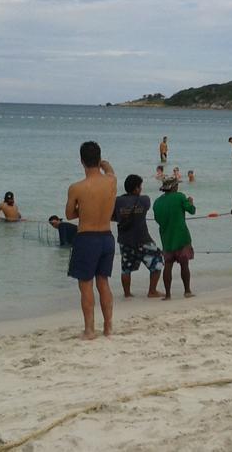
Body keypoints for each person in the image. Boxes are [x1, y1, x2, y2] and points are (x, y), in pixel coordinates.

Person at [64, 142, 118, 340]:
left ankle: (89, 329)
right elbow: (110, 171)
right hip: (107, 237)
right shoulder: (111, 181)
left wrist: (85, 210)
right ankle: (108, 327)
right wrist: (106, 164)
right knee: (103, 282)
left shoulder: (77, 188)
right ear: (99, 159)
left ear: (81, 161)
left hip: (87, 238)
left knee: (85, 285)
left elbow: (69, 214)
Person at [113, 174, 162, 299]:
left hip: (125, 240)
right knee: (157, 262)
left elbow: (112, 217)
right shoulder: (144, 199)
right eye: (140, 187)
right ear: (136, 188)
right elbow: (145, 208)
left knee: (126, 268)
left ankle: (127, 294)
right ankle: (152, 291)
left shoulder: (117, 201)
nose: (141, 189)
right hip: (143, 239)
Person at [153, 176, 197, 299]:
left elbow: (158, 219)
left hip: (166, 239)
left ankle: (167, 295)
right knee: (184, 264)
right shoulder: (180, 196)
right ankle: (187, 291)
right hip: (182, 237)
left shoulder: (157, 202)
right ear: (173, 187)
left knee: (168, 265)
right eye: (176, 185)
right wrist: (191, 202)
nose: (178, 187)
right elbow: (192, 210)